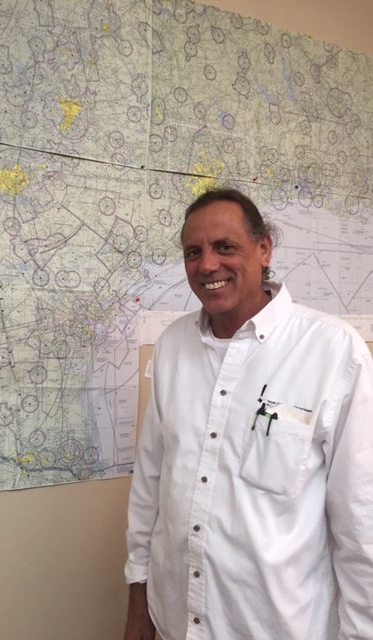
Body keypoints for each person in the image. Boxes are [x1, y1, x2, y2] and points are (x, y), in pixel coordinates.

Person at [123, 188, 373, 640]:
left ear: (264, 249)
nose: (207, 265)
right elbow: (150, 484)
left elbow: (361, 522)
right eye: (193, 251)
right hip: (177, 620)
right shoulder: (172, 347)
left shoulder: (333, 352)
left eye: (225, 247)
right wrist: (139, 601)